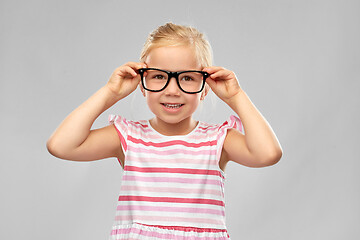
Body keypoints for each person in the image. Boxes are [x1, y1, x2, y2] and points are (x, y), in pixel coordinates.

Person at [47, 22, 282, 239]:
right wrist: (111, 92)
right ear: (142, 84)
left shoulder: (217, 141)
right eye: (159, 76)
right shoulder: (129, 137)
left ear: (205, 87)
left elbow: (268, 153)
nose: (172, 90)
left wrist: (236, 96)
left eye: (187, 78)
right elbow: (61, 145)